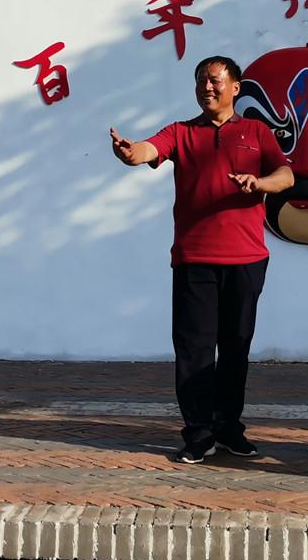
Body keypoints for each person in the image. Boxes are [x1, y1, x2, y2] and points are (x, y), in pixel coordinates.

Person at [110, 56, 294, 464]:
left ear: (235, 87)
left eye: (214, 81)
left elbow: (287, 175)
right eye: (200, 82)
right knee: (193, 350)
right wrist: (130, 153)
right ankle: (198, 433)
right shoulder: (182, 132)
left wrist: (259, 183)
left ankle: (229, 428)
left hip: (247, 259)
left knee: (235, 348)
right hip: (195, 259)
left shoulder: (255, 131)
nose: (207, 88)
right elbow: (148, 149)